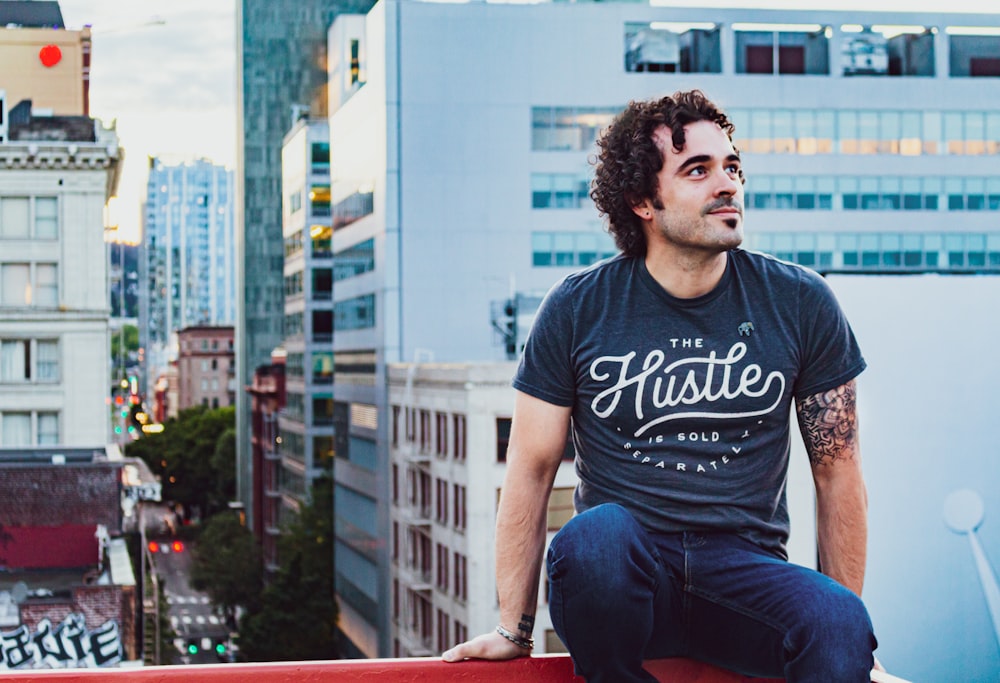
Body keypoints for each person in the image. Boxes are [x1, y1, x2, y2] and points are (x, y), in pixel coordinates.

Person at [443, 90, 878, 682]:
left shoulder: (800, 302)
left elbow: (838, 472)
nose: (727, 184)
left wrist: (846, 627)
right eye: (698, 170)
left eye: (732, 166)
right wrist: (513, 630)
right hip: (624, 579)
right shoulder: (578, 308)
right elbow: (530, 469)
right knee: (596, 535)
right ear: (642, 200)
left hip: (743, 579)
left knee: (839, 621)